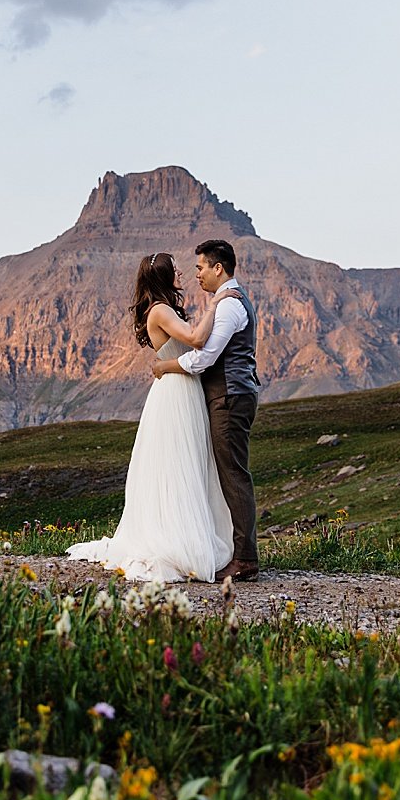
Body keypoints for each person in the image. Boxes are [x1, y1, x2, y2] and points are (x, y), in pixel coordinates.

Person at [64, 252, 238, 582]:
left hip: (180, 387)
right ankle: (175, 538)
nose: (182, 276)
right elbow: (197, 339)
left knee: (186, 464)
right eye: (175, 272)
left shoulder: (161, 309)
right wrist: (217, 304)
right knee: (178, 464)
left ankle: (184, 530)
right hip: (176, 392)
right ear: (164, 277)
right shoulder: (160, 311)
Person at [148, 238, 260, 582]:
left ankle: (244, 559)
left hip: (229, 396)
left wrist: (164, 367)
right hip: (231, 394)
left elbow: (204, 358)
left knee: (233, 474)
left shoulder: (228, 305)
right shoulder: (225, 301)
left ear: (217, 268)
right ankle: (237, 551)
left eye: (199, 267)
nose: (196, 274)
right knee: (229, 473)